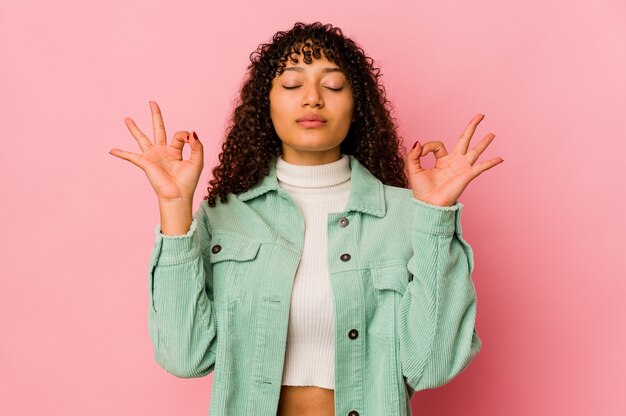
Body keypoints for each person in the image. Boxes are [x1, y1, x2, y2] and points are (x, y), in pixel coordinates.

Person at [109, 21, 502, 416]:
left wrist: (434, 216)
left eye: (332, 86)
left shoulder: (406, 215)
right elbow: (185, 357)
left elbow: (431, 366)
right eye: (293, 85)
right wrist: (175, 208)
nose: (312, 98)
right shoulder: (225, 216)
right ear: (266, 103)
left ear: (357, 105)